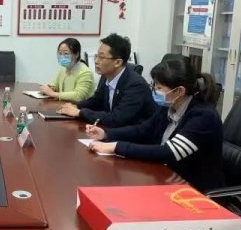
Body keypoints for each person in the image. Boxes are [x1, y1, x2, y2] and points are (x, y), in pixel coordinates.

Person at [85, 56, 223, 192]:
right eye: (154, 85)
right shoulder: (169, 106)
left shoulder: (203, 116)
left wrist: (116, 147)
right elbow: (143, 130)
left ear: (180, 91)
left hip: (194, 190)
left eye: (159, 87)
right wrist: (106, 134)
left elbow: (169, 152)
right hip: (166, 177)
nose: (154, 90)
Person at [59, 33, 156, 127]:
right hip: (114, 130)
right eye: (96, 56)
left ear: (117, 62)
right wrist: (76, 106)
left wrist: (80, 113)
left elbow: (117, 118)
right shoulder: (106, 75)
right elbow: (97, 100)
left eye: (101, 57)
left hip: (135, 135)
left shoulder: (136, 85)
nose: (96, 61)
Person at [38, 38, 95, 102]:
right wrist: (49, 88)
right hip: (64, 105)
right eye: (60, 53)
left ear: (77, 54)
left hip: (79, 107)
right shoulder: (63, 70)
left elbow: (79, 96)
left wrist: (52, 93)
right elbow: (55, 85)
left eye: (66, 53)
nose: (62, 56)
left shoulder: (85, 72)